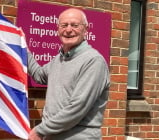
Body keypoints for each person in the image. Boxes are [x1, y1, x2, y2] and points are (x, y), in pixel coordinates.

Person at [27, 8, 110, 140]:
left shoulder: (93, 61)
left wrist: (40, 130)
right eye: (64, 25)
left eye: (75, 25)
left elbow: (78, 107)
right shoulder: (59, 59)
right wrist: (21, 47)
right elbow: (38, 74)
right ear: (58, 29)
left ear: (85, 29)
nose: (69, 30)